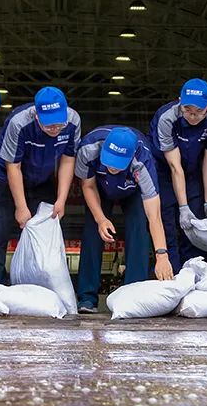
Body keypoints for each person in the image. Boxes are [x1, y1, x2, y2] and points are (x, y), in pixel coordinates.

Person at [0, 86, 81, 284]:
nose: (55, 129)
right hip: (3, 177)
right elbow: (13, 167)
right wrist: (21, 206)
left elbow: (68, 160)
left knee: (42, 230)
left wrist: (61, 199)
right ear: (37, 117)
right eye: (49, 125)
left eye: (59, 124)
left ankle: (37, 283)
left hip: (41, 176)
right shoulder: (19, 123)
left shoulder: (73, 120)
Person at [74, 126, 174, 313]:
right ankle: (87, 298)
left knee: (138, 230)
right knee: (92, 232)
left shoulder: (143, 162)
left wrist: (162, 255)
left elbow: (154, 216)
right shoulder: (88, 149)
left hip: (133, 191)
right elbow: (87, 185)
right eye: (109, 160)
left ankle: (132, 293)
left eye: (118, 163)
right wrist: (101, 219)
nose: (112, 166)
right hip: (99, 189)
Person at [149, 78, 207, 272]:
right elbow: (175, 167)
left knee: (196, 222)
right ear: (179, 103)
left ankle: (194, 274)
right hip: (165, 171)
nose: (193, 117)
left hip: (194, 170)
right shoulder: (167, 118)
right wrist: (183, 207)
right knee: (168, 222)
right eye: (188, 111)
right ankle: (171, 277)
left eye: (199, 112)